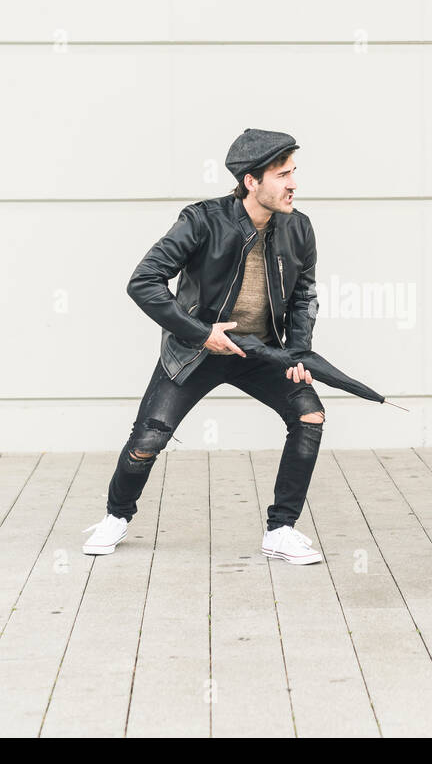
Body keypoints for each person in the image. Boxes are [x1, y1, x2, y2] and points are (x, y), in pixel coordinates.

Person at [82, 128, 326, 564]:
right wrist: (202, 333)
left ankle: (281, 530)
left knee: (309, 415)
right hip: (197, 350)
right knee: (148, 441)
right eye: (283, 175)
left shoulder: (298, 228)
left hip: (261, 352)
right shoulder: (202, 221)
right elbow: (143, 282)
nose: (293, 184)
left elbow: (304, 294)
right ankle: (116, 517)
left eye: (294, 173)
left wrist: (299, 353)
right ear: (251, 181)